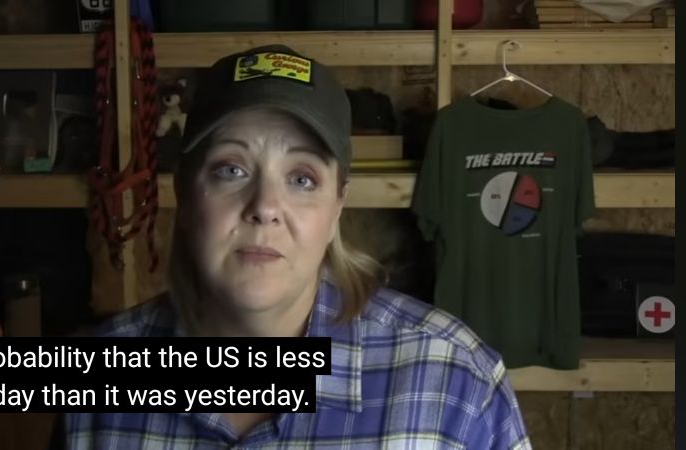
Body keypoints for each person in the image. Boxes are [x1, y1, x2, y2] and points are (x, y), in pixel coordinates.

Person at [63, 44, 532, 449]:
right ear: (185, 196)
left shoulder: (457, 384)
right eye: (231, 169)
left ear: (336, 207)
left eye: (302, 178)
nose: (265, 207)